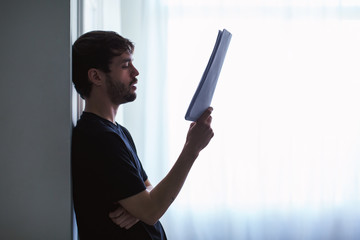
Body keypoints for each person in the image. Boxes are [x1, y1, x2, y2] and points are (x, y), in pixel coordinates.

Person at [71, 30, 214, 240]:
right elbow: (151, 210)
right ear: (96, 76)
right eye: (125, 65)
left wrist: (138, 210)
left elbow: (148, 190)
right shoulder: (98, 138)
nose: (136, 72)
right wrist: (192, 149)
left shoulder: (117, 132)